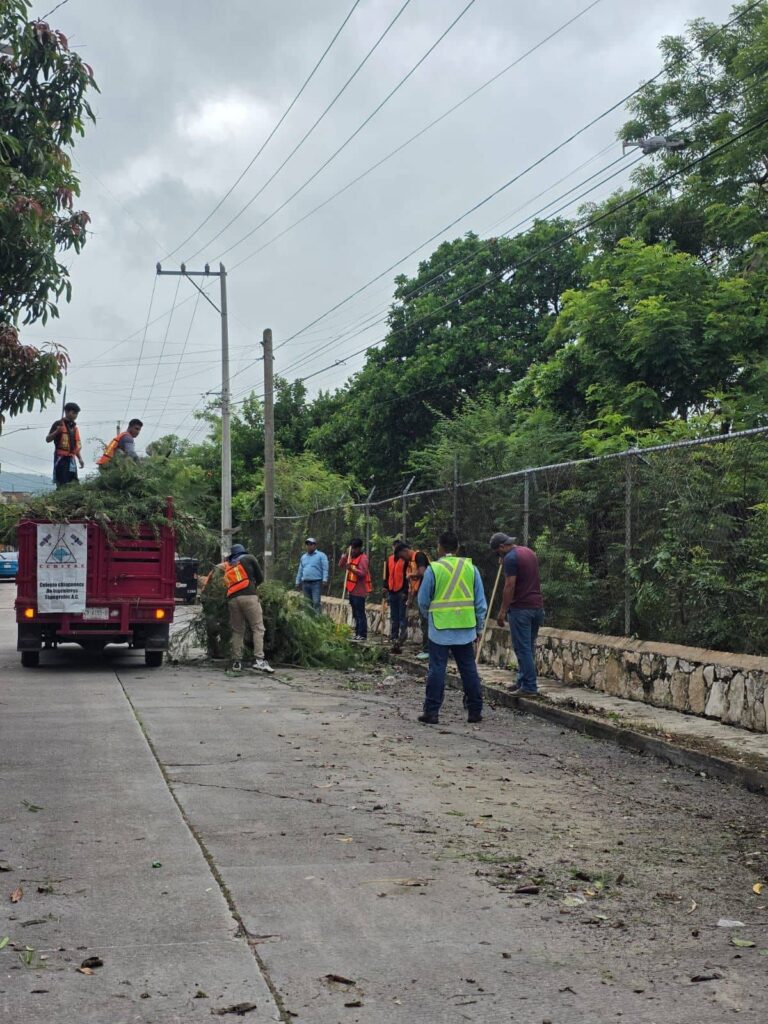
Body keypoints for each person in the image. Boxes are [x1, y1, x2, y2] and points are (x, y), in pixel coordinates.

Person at [417, 531, 487, 725]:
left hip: (440, 628)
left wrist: (430, 617)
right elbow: (481, 603)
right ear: (457, 548)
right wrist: (479, 627)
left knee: (437, 668)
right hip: (465, 627)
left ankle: (431, 712)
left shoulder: (434, 569)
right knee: (468, 669)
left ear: (439, 547)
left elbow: (423, 601)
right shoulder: (471, 568)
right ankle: (475, 711)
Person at [490, 532, 545, 695]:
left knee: (522, 649)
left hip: (521, 608)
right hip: (537, 607)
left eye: (497, 552)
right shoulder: (528, 552)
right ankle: (522, 680)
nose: (498, 556)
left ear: (501, 547)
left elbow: (509, 586)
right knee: (528, 647)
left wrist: (502, 611)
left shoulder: (511, 559)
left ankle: (529, 686)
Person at [223, 543, 273, 674]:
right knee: (258, 628)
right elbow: (260, 578)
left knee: (238, 630)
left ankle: (237, 662)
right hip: (249, 596)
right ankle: (259, 660)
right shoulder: (249, 558)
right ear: (243, 551)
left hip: (232, 599)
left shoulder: (228, 565)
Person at [339, 538, 371, 641]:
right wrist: (344, 557)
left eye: (354, 549)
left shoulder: (363, 558)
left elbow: (362, 573)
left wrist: (351, 568)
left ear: (358, 548)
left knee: (360, 612)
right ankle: (357, 632)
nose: (352, 551)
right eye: (351, 548)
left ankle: (362, 634)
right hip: (351, 590)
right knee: (355, 613)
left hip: (359, 591)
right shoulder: (350, 557)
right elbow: (340, 565)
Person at [46, 402, 84, 488]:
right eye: (73, 413)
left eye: (76, 414)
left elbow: (75, 446)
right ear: (66, 412)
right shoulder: (58, 424)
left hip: (71, 459)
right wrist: (57, 431)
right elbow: (48, 439)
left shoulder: (73, 427)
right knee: (63, 482)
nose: (75, 416)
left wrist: (80, 459)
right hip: (61, 459)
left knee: (74, 482)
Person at [382, 541, 410, 653]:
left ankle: (402, 637)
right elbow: (387, 574)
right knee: (394, 616)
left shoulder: (405, 560)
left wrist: (405, 591)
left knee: (402, 616)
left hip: (401, 591)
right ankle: (393, 636)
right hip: (391, 590)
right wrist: (385, 586)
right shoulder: (390, 559)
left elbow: (407, 577)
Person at [407, 547, 431, 660]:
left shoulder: (419, 556)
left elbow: (422, 572)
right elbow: (413, 584)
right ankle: (428, 649)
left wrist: (411, 575)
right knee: (424, 623)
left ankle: (428, 650)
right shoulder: (410, 562)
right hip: (420, 595)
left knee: (426, 623)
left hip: (426, 596)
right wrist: (410, 598)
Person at [295, 537, 328, 613]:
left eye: (311, 544)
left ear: (315, 545)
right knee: (307, 604)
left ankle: (317, 621)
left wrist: (325, 579)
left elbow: (325, 568)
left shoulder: (321, 555)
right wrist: (297, 581)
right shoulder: (303, 557)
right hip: (305, 583)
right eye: (307, 544)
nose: (309, 546)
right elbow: (300, 570)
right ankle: (309, 622)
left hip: (316, 583)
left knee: (316, 602)